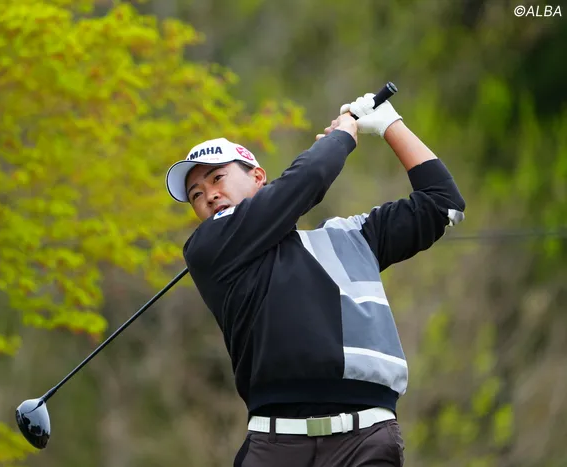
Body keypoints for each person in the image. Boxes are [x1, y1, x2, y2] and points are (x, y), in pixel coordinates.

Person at [164, 92, 466, 467]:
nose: (209, 195)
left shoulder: (352, 237)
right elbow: (308, 178)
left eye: (217, 178)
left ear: (258, 177)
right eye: (196, 194)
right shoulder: (207, 248)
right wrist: (344, 133)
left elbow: (442, 202)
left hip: (366, 442)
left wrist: (390, 125)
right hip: (275, 446)